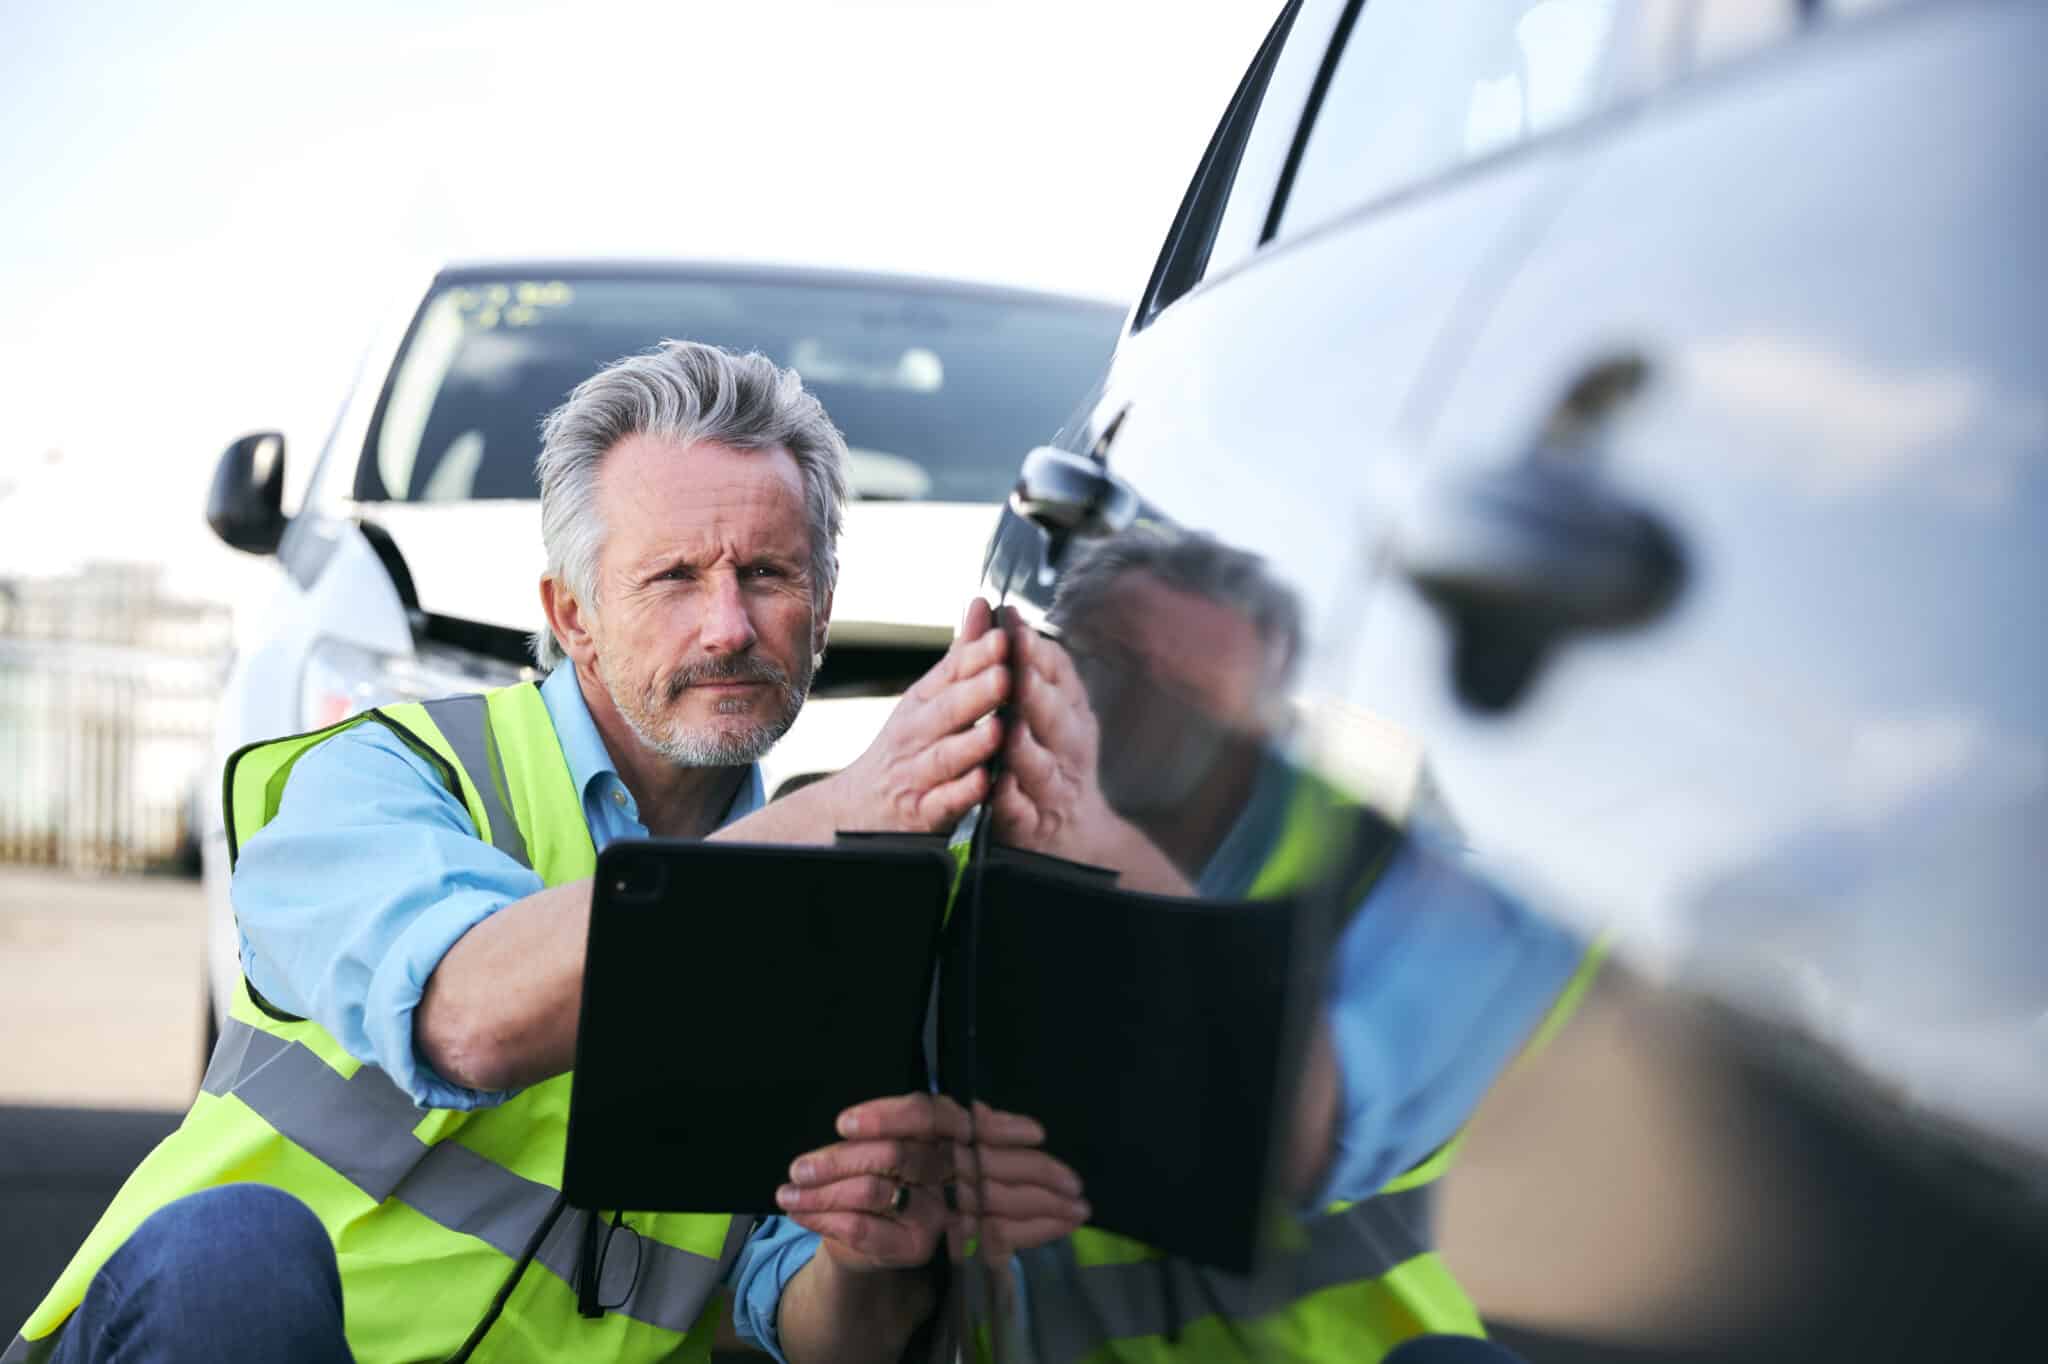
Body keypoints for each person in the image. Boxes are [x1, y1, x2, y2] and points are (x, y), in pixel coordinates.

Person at [9, 342, 1087, 1364]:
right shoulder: (384, 779)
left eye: (766, 572)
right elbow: (466, 1017)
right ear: (569, 614)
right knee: (233, 1248)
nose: (727, 625)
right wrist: (857, 803)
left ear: (822, 614)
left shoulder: (855, 917)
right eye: (672, 577)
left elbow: (809, 1330)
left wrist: (868, 1245)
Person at [983, 524, 1595, 1362]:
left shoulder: (1449, 907)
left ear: (1278, 715)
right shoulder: (981, 868)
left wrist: (1096, 844)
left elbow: (1285, 1132)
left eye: (1190, 702)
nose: (1128, 720)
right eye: (1107, 671)